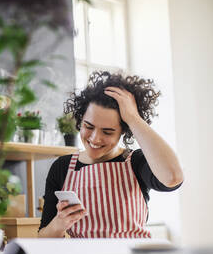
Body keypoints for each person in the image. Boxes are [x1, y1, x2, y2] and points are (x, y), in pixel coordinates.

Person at [38, 71, 184, 238]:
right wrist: (59, 223)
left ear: (124, 131)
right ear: (80, 119)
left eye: (107, 132)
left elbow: (173, 177)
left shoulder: (135, 162)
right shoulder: (62, 167)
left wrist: (133, 117)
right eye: (89, 126)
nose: (95, 138)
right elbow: (43, 237)